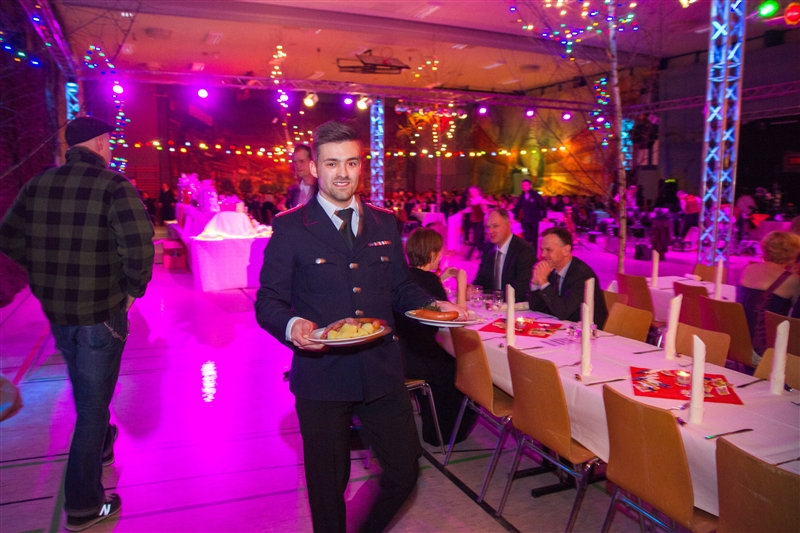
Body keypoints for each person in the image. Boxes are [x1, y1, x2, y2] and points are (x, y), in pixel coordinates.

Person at [255, 120, 465, 533]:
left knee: (404, 471)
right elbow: (268, 301)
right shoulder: (291, 227)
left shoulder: (384, 222)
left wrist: (430, 303)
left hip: (380, 370)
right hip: (322, 376)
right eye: (332, 163)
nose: (342, 173)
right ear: (314, 167)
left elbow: (399, 286)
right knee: (327, 489)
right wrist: (293, 325)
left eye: (351, 163)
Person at [0, 116, 154, 531]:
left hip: (58, 311)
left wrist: (42, 268)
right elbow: (139, 247)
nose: (110, 147)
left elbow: (8, 236)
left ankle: (101, 447)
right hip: (100, 313)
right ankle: (85, 505)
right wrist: (132, 291)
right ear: (100, 143)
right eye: (109, 141)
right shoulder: (114, 186)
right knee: (92, 406)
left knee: (86, 390)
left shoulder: (38, 184)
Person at [394, 228, 478, 447]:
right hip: (422, 361)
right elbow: (458, 320)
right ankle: (447, 430)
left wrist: (441, 278)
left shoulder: (404, 279)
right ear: (432, 254)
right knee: (466, 364)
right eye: (439, 253)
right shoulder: (429, 281)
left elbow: (422, 296)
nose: (441, 257)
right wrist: (461, 284)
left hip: (401, 357)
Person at [737, 231, 800, 361]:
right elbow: (796, 315)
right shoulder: (792, 280)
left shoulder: (747, 269)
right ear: (792, 254)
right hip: (767, 350)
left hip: (740, 341)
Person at [528, 227, 607, 327]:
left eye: (548, 250)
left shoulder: (582, 275)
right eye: (542, 249)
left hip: (585, 332)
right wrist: (535, 283)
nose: (542, 255)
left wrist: (544, 282)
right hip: (562, 327)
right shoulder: (551, 269)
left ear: (566, 250)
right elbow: (536, 308)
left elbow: (563, 313)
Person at [473, 208, 536, 299]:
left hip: (515, 306)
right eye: (488, 227)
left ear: (508, 226)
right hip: (490, 304)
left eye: (495, 226)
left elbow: (519, 291)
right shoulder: (488, 247)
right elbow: (481, 279)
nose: (490, 231)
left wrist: (487, 295)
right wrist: (473, 288)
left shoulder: (524, 251)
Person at [514, 179, 548, 254]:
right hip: (526, 220)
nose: (524, 187)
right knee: (527, 238)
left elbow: (543, 206)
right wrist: (515, 218)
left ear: (530, 186)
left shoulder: (535, 195)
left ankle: (535, 254)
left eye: (526, 185)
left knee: (535, 238)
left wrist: (544, 217)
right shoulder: (522, 196)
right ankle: (528, 253)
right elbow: (517, 208)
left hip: (535, 220)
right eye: (523, 185)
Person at [285, 144, 317, 209]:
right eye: (295, 162)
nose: (297, 165)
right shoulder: (294, 192)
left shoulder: (323, 190)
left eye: (301, 161)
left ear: (312, 162)